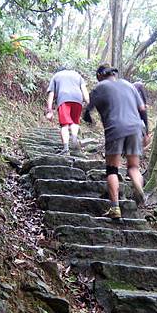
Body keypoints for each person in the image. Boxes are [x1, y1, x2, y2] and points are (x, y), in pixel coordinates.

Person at [85, 64, 147, 219]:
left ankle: (115, 208)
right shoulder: (128, 85)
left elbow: (87, 111)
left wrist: (89, 119)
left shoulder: (100, 87)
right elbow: (142, 108)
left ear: (100, 75)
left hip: (115, 129)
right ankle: (138, 186)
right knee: (133, 167)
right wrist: (147, 132)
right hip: (136, 128)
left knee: (112, 169)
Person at [45, 67, 89, 154]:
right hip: (78, 98)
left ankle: (66, 148)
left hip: (64, 98)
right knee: (74, 122)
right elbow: (84, 91)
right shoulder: (77, 75)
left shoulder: (56, 76)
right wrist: (88, 102)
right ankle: (74, 138)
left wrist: (49, 110)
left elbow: (51, 93)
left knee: (64, 124)